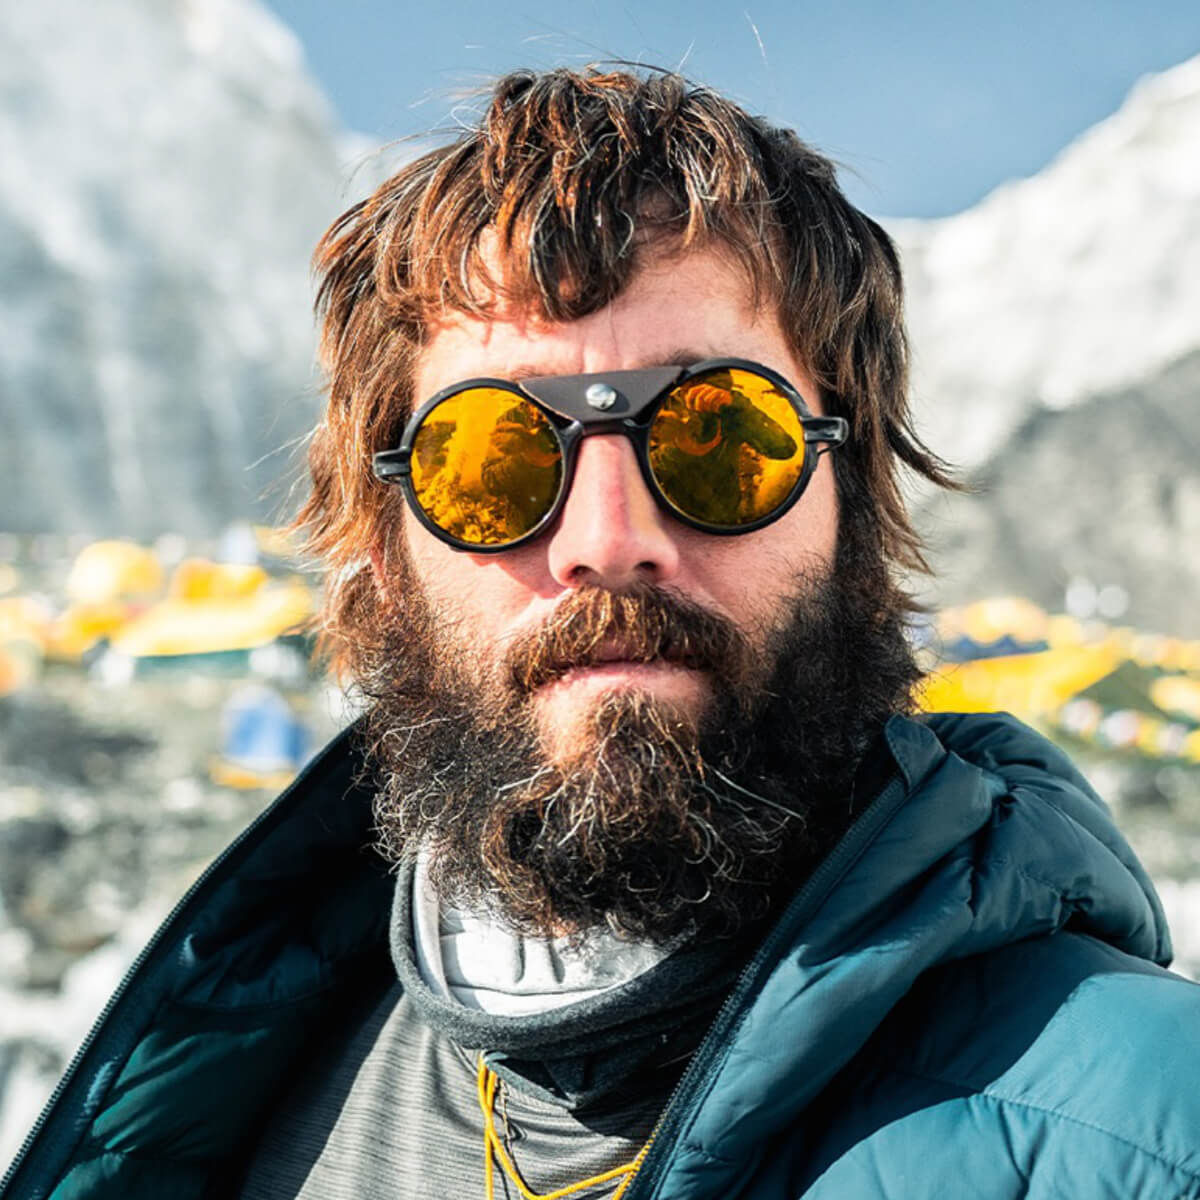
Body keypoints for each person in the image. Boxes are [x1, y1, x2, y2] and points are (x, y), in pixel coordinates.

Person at [5, 67, 1200, 1200]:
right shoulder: (220, 1092)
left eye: (721, 440)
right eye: (490, 460)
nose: (607, 538)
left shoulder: (1150, 1137)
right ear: (382, 552)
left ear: (859, 513)